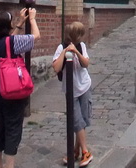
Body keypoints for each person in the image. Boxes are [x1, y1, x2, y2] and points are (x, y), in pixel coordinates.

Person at [0, 7, 40, 168]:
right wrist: (31, 19)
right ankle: (9, 165)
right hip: (12, 90)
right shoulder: (12, 42)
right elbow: (36, 36)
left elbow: (9, 42)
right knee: (12, 128)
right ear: (7, 26)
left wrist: (19, 23)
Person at [51, 22, 93, 167]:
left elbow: (86, 63)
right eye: (80, 34)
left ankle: (74, 150)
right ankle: (85, 152)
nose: (82, 36)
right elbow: (56, 68)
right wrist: (65, 52)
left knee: (83, 120)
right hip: (71, 91)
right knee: (77, 121)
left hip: (85, 86)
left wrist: (76, 52)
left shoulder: (81, 46)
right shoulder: (60, 47)